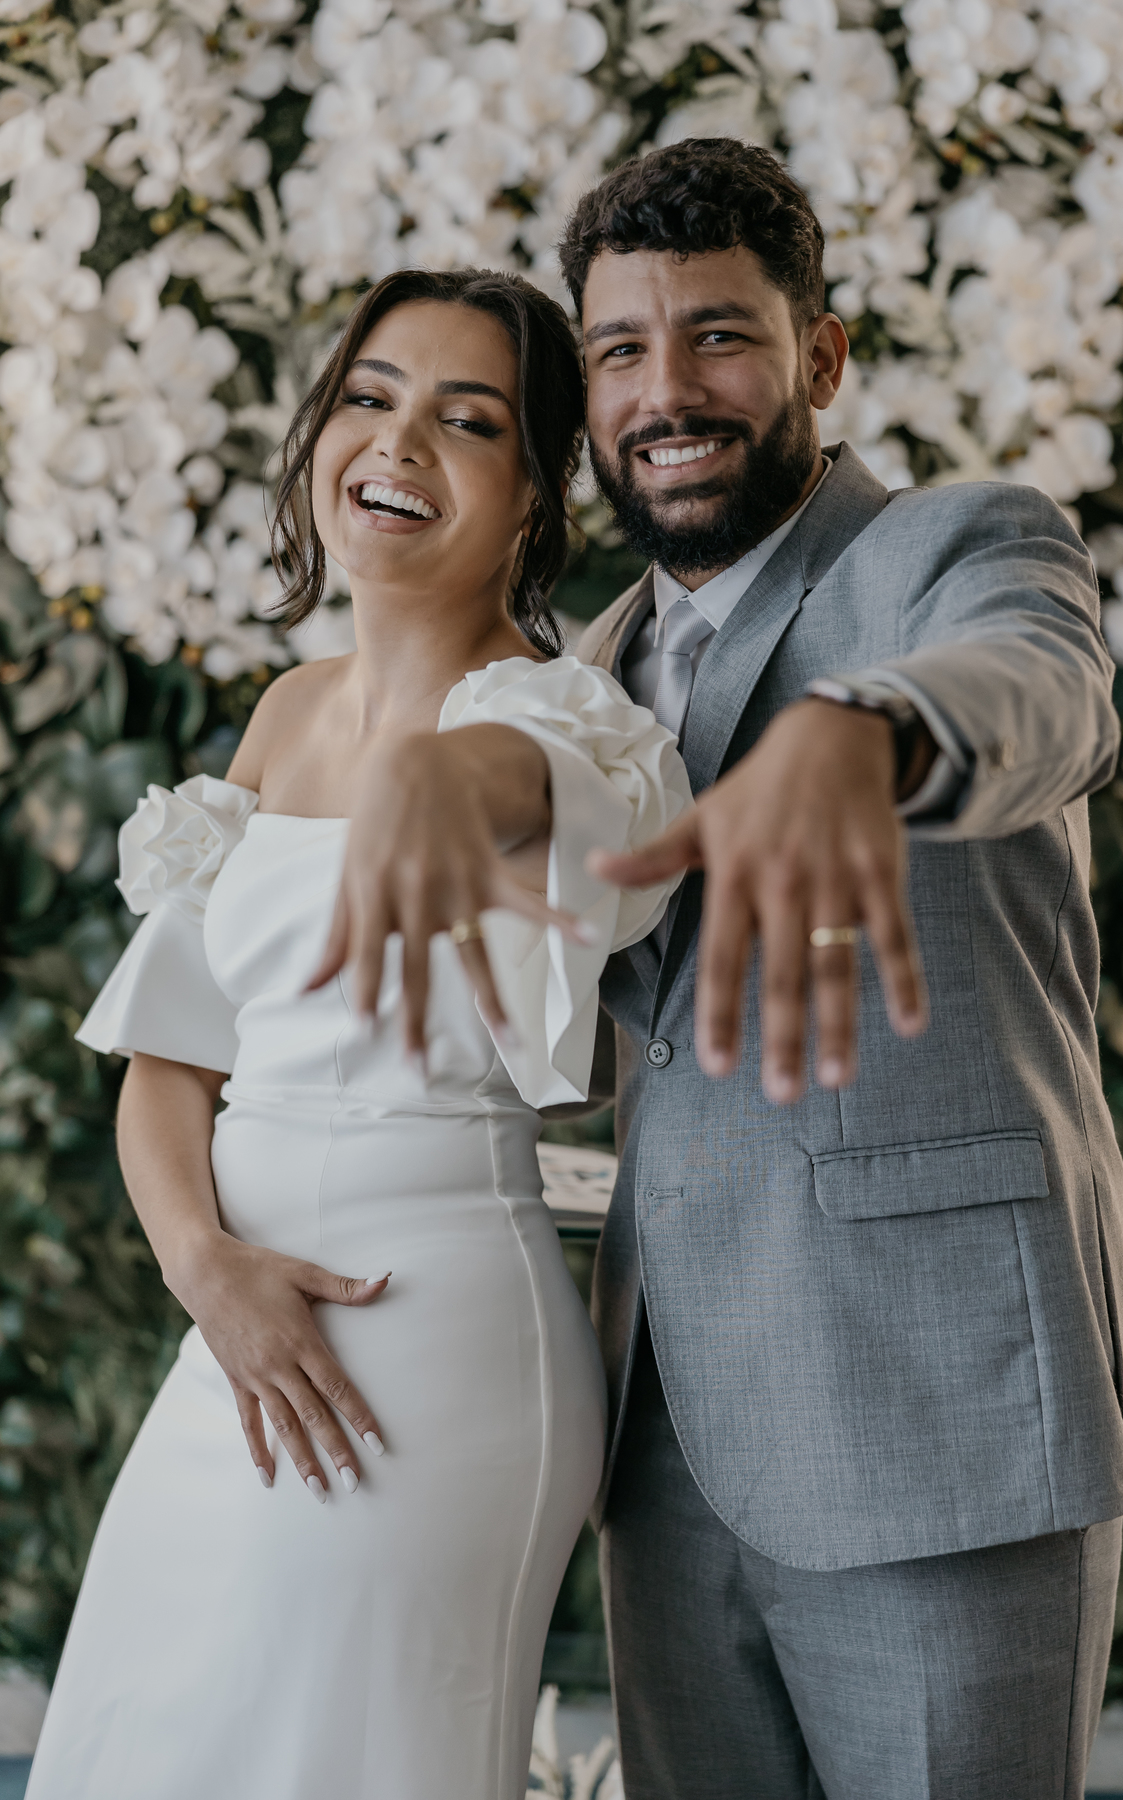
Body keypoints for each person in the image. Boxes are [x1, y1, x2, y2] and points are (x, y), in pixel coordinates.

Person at [331, 141, 1123, 1799]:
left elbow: (1044, 687)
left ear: (821, 358)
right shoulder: (588, 672)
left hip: (942, 1428)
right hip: (662, 1453)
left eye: (719, 336)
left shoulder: (951, 548)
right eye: (621, 351)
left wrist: (870, 730)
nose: (666, 392)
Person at [25, 267, 691, 1800]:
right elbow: (167, 1068)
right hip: (232, 1330)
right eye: (372, 398)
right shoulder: (286, 711)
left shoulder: (563, 721)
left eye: (468, 421)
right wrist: (207, 1273)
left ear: (534, 497)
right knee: (147, 1741)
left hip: (431, 1344)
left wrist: (442, 784)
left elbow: (541, 799)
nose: (398, 443)